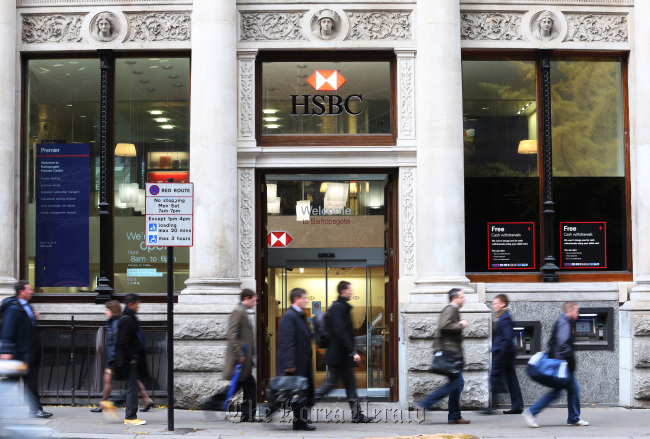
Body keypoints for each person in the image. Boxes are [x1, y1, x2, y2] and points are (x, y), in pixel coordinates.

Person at [314, 281, 374, 423]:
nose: (351, 292)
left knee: (350, 385)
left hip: (342, 355)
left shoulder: (341, 307)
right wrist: (353, 352)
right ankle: (305, 403)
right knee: (331, 384)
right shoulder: (338, 308)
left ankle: (357, 415)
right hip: (339, 355)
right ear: (343, 291)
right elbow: (341, 333)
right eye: (349, 290)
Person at [522, 301, 589, 428]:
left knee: (573, 390)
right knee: (558, 392)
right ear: (569, 311)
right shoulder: (564, 322)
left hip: (562, 364)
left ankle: (573, 418)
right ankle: (531, 412)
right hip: (562, 364)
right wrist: (568, 361)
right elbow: (563, 344)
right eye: (576, 311)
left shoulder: (565, 321)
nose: (578, 313)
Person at [200, 289, 258, 422]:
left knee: (242, 386)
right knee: (248, 386)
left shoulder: (243, 311)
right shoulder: (238, 311)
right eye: (253, 300)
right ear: (247, 298)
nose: (254, 303)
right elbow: (231, 334)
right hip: (241, 358)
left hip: (244, 358)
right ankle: (214, 401)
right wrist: (239, 354)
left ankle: (215, 401)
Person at [417, 288, 470, 425]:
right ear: (454, 298)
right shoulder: (450, 309)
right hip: (449, 353)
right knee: (456, 383)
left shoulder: (453, 309)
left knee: (457, 383)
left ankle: (454, 415)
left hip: (450, 352)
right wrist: (460, 324)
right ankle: (425, 404)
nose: (464, 299)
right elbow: (444, 325)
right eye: (462, 297)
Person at [90, 300, 153, 414]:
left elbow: (118, 342)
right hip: (116, 356)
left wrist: (115, 358)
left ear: (112, 311)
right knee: (132, 380)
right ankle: (147, 399)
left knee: (112, 379)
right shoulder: (113, 322)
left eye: (107, 310)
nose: (105, 312)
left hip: (116, 357)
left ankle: (103, 405)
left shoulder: (115, 323)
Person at [0, 280, 52, 419]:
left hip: (29, 353)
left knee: (29, 382)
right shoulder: (13, 309)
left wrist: (32, 318)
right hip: (21, 354)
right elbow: (7, 330)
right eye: (28, 289)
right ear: (21, 291)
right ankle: (35, 410)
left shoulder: (25, 306)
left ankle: (35, 410)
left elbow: (25, 326)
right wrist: (5, 351)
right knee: (17, 381)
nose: (31, 291)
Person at [276, 288, 315, 431]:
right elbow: (287, 341)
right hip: (296, 364)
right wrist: (290, 363)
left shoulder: (298, 316)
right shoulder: (289, 316)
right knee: (299, 394)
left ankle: (301, 422)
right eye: (304, 298)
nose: (306, 300)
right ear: (296, 299)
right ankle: (300, 422)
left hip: (302, 362)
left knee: (304, 393)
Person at [479, 294, 523, 415]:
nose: (493, 306)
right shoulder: (502, 316)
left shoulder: (505, 317)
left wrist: (501, 353)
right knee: (511, 379)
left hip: (504, 353)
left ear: (502, 304)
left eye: (495, 303)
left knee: (494, 376)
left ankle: (492, 406)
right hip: (506, 353)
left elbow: (508, 338)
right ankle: (517, 405)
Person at [114, 293, 149, 426]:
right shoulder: (127, 320)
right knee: (132, 389)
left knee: (132, 388)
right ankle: (130, 417)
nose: (138, 307)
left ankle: (130, 416)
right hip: (130, 360)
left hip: (133, 359)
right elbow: (123, 342)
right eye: (137, 304)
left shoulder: (130, 318)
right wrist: (130, 359)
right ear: (130, 304)